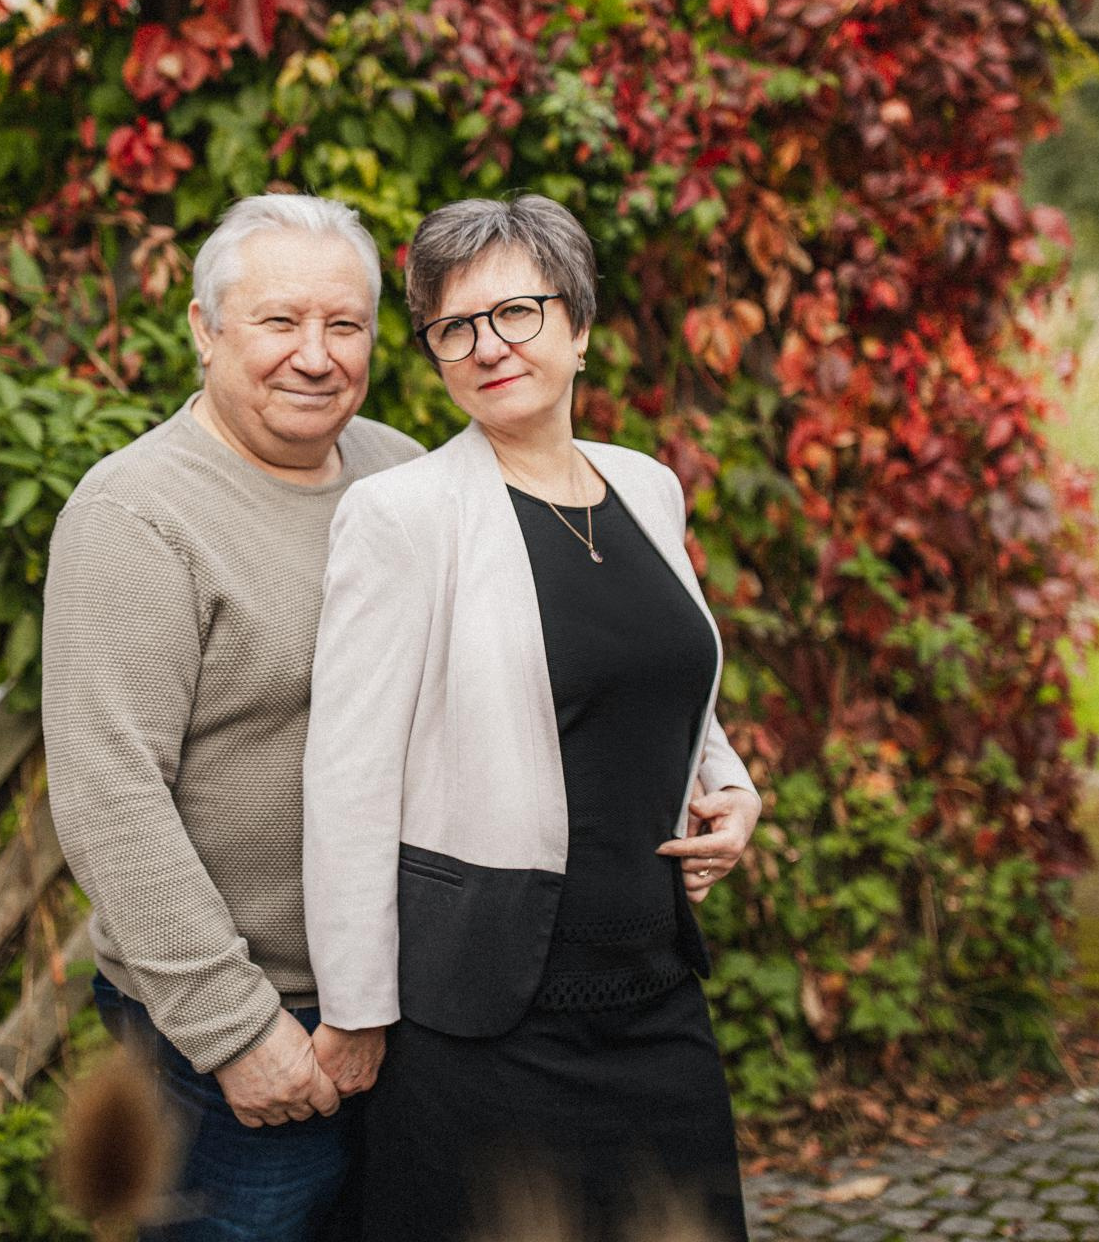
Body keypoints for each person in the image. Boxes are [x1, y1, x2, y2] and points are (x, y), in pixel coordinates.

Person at [302, 194, 764, 1242]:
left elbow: (664, 682)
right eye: (454, 327)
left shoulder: (647, 487)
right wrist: (356, 1008)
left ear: (580, 324)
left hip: (654, 989)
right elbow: (346, 776)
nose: (488, 346)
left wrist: (730, 786)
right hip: (486, 1013)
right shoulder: (402, 515)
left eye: (517, 311)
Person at [42, 193, 422, 1241]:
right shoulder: (135, 514)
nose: (315, 354)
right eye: (278, 321)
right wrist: (235, 1029)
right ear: (206, 331)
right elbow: (108, 793)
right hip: (238, 1038)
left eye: (344, 325)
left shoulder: (405, 473)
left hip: (398, 1007)